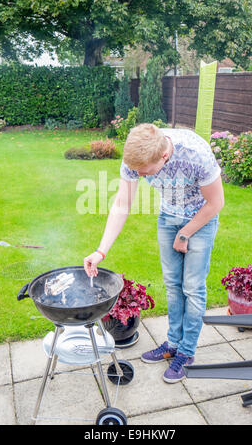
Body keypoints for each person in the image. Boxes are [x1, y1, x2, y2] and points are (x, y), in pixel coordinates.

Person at [84, 123, 224, 383]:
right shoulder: (136, 157)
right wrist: (100, 251)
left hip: (201, 219)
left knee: (192, 288)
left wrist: (186, 233)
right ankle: (172, 343)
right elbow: (122, 203)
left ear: (164, 156)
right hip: (168, 216)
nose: (140, 175)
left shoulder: (196, 155)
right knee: (172, 285)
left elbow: (216, 202)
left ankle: (187, 352)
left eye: (144, 172)